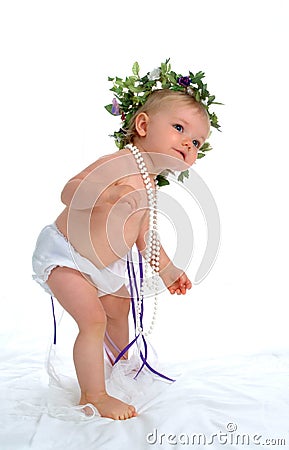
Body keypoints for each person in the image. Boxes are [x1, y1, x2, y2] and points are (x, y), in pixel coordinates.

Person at [32, 60, 220, 420]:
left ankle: (122, 368)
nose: (188, 142)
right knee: (93, 321)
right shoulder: (117, 162)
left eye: (196, 141)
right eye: (179, 128)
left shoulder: (149, 186)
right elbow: (68, 191)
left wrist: (167, 270)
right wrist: (99, 196)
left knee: (119, 314)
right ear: (143, 125)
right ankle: (94, 395)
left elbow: (145, 238)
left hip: (105, 265)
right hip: (67, 256)